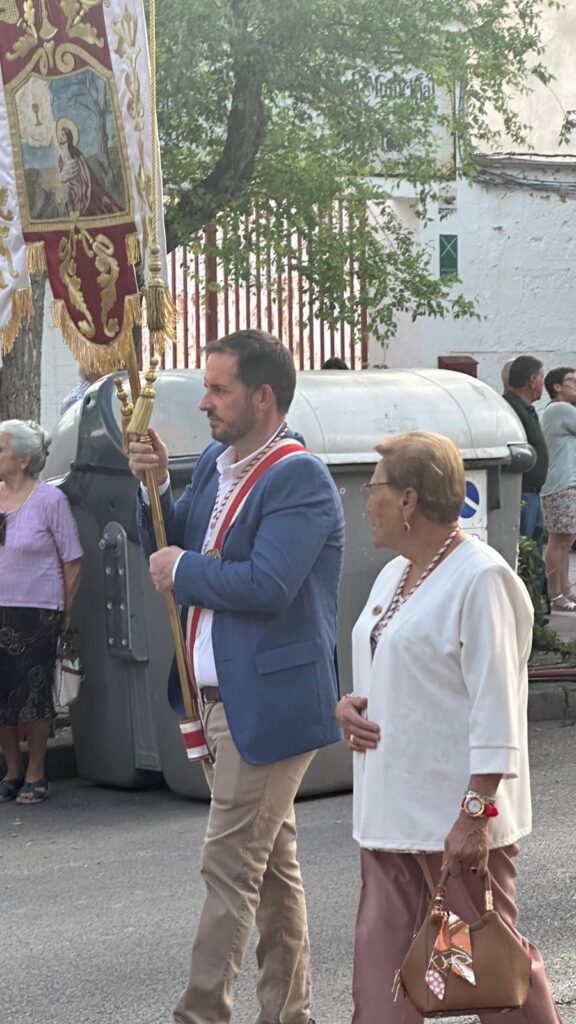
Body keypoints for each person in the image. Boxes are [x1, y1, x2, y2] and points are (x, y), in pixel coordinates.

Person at [128, 329, 344, 1024]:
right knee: (271, 874)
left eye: (218, 389)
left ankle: (200, 1014)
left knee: (228, 869)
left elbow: (269, 583)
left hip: (269, 704)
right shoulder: (221, 460)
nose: (205, 403)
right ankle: (291, 1013)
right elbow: (178, 538)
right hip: (224, 701)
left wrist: (183, 571)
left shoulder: (296, 475)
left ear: (263, 396)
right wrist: (157, 487)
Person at [336, 431, 561, 1024]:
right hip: (390, 823)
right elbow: (398, 664)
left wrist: (475, 814)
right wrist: (352, 706)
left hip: (452, 830)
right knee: (382, 988)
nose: (366, 500)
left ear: (409, 500)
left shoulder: (480, 577)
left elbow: (496, 704)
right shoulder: (396, 575)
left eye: (376, 487)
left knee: (487, 974)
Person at [0, 420, 82, 805]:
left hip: (37, 611)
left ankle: (36, 771)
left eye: (1, 449)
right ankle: (12, 770)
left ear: (23, 458)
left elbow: (72, 560)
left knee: (33, 693)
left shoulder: (50, 500)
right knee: (2, 695)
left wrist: (65, 613)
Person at [540, 367, 576, 612]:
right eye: (572, 381)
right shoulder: (560, 409)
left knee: (567, 537)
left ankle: (565, 589)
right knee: (559, 539)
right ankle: (555, 594)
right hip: (561, 483)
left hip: (567, 482)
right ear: (557, 387)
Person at [503, 355, 548, 549]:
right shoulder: (512, 408)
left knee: (535, 548)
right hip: (521, 492)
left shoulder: (526, 408)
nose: (542, 385)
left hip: (532, 492)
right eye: (541, 379)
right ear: (532, 380)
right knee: (525, 549)